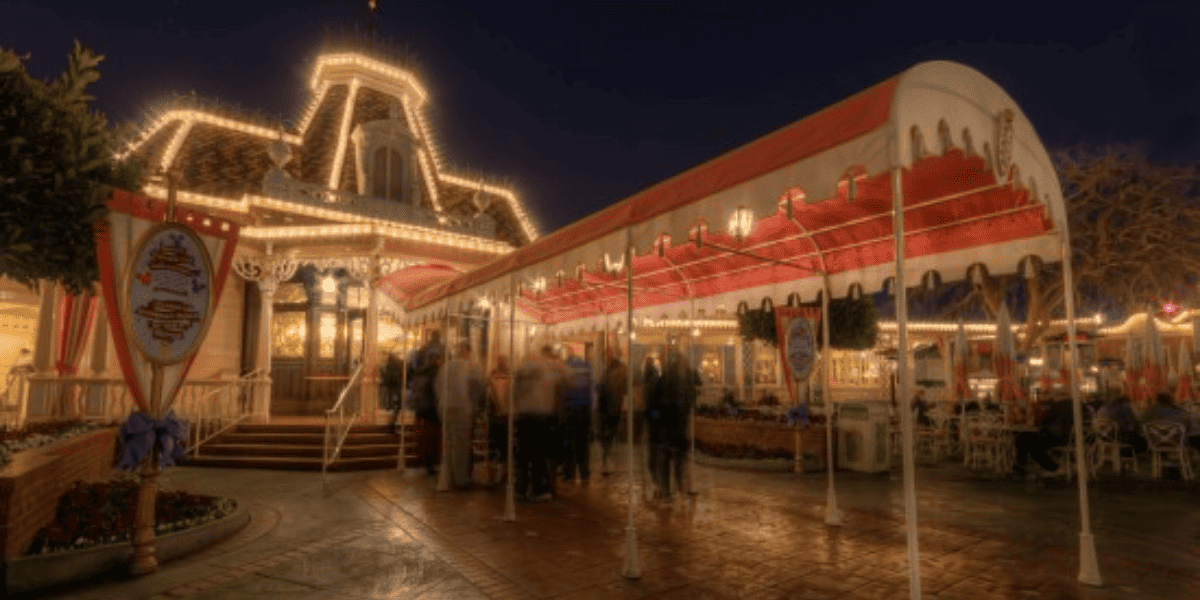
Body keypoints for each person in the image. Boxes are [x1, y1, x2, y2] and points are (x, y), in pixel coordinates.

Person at [513, 345, 569, 502]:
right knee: (538, 453)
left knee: (523, 454)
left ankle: (521, 488)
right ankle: (537, 489)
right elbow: (569, 375)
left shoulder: (521, 368)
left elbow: (514, 391)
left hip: (523, 414)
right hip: (540, 415)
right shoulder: (549, 366)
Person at [437, 341, 487, 490]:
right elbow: (478, 388)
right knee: (461, 446)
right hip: (461, 409)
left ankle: (450, 476)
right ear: (468, 352)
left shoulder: (445, 367)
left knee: (450, 443)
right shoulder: (470, 367)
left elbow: (438, 388)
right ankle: (461, 479)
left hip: (445, 407)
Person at [657, 349, 700, 501]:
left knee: (666, 459)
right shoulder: (684, 381)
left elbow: (657, 402)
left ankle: (668, 491)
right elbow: (690, 400)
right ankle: (679, 487)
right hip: (679, 425)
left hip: (667, 425)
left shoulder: (664, 380)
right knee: (679, 459)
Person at [410, 330, 445, 475]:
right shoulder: (435, 372)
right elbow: (436, 390)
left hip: (420, 408)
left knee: (422, 437)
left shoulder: (421, 371)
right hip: (431, 409)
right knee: (432, 438)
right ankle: (430, 462)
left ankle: (423, 460)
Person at [1013, 394, 1073, 476]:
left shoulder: (1058, 407)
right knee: (1023, 438)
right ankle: (1023, 464)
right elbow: (1045, 421)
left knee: (1027, 441)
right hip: (1054, 435)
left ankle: (1053, 468)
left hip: (1053, 436)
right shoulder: (1065, 406)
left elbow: (1044, 421)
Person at [560, 350, 593, 483]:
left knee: (569, 442)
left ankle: (569, 473)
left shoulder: (566, 366)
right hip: (585, 408)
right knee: (583, 443)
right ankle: (584, 474)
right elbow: (592, 386)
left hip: (570, 408)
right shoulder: (586, 366)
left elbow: (562, 388)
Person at [596, 354, 627, 475]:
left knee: (607, 433)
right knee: (610, 433)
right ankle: (608, 457)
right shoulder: (614, 374)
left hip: (607, 408)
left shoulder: (607, 374)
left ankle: (607, 457)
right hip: (612, 407)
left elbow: (600, 388)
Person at [642, 355, 664, 496]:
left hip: (652, 416)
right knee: (657, 445)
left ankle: (654, 472)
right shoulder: (658, 380)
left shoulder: (647, 382)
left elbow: (648, 401)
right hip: (659, 416)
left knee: (653, 445)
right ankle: (658, 476)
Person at [488, 355, 512, 482]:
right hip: (498, 413)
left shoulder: (509, 375)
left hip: (505, 413)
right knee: (497, 442)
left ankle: (503, 469)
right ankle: (495, 470)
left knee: (504, 443)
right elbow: (492, 392)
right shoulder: (494, 375)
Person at [382, 353, 405, 435]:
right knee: (396, 409)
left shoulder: (390, 367)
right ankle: (391, 426)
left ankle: (391, 426)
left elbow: (388, 379)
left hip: (393, 390)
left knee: (393, 409)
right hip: (396, 389)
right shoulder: (398, 366)